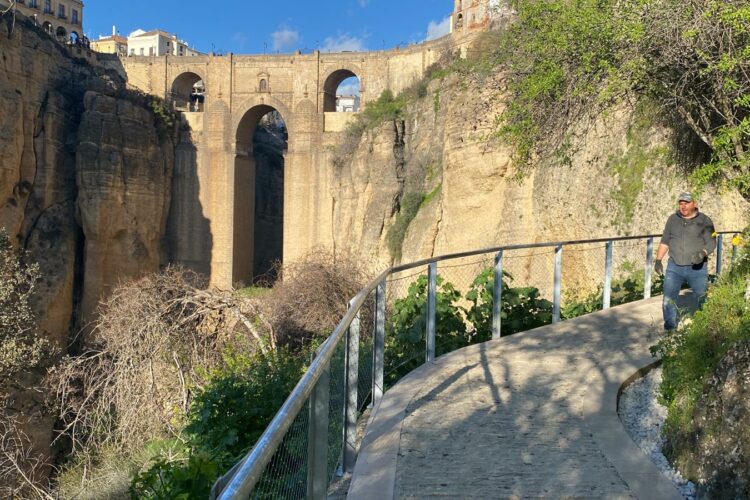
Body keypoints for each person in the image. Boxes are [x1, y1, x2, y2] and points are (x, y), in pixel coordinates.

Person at [654, 191, 716, 330]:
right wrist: (658, 260)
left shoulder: (705, 220)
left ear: (694, 204)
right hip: (674, 267)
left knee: (701, 298)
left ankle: (703, 327)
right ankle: (670, 328)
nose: (683, 206)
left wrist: (703, 253)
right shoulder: (672, 219)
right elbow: (665, 241)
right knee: (668, 299)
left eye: (686, 203)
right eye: (681, 203)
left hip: (697, 268)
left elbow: (712, 242)